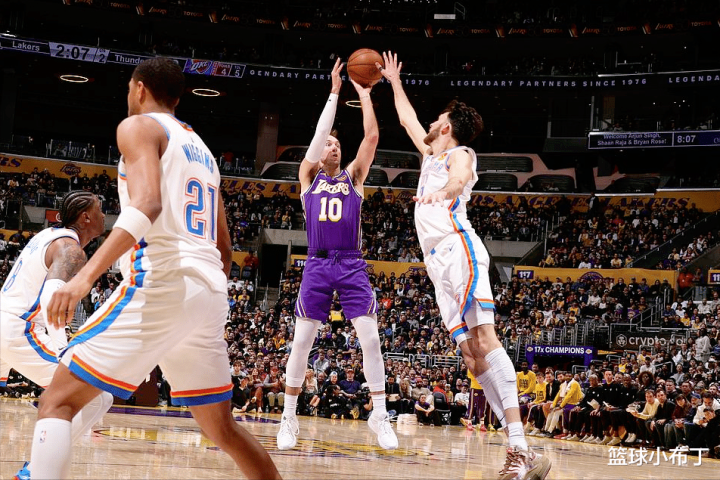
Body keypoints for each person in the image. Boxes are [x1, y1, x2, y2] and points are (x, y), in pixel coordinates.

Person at [31, 57, 280, 479]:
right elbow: (224, 247)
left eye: (129, 88)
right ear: (177, 98)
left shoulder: (138, 127)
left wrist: (84, 279)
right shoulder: (204, 152)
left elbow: (147, 204)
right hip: (209, 290)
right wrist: (200, 297)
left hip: (163, 280)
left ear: (140, 88)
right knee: (222, 428)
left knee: (57, 401)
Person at [380, 51, 550, 479]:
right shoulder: (430, 155)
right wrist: (394, 82)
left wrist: (446, 192)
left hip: (459, 249)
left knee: (486, 339)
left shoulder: (460, 153)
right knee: (472, 358)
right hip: (436, 263)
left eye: (437, 118)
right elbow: (406, 119)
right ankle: (520, 450)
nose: (430, 122)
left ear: (447, 127)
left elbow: (458, 177)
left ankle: (519, 447)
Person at [276, 58, 397, 451]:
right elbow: (317, 137)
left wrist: (365, 95)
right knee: (301, 342)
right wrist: (333, 92)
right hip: (316, 262)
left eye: (337, 144)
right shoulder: (308, 177)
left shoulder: (354, 177)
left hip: (350, 262)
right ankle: (289, 417)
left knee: (371, 339)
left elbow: (372, 137)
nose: (333, 146)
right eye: (329, 143)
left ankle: (380, 414)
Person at [1, 191, 114, 480]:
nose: (104, 215)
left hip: (7, 321)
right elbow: (52, 295)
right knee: (97, 395)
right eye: (99, 210)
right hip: (19, 328)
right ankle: (33, 471)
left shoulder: (48, 235)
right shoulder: (71, 248)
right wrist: (63, 349)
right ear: (86, 217)